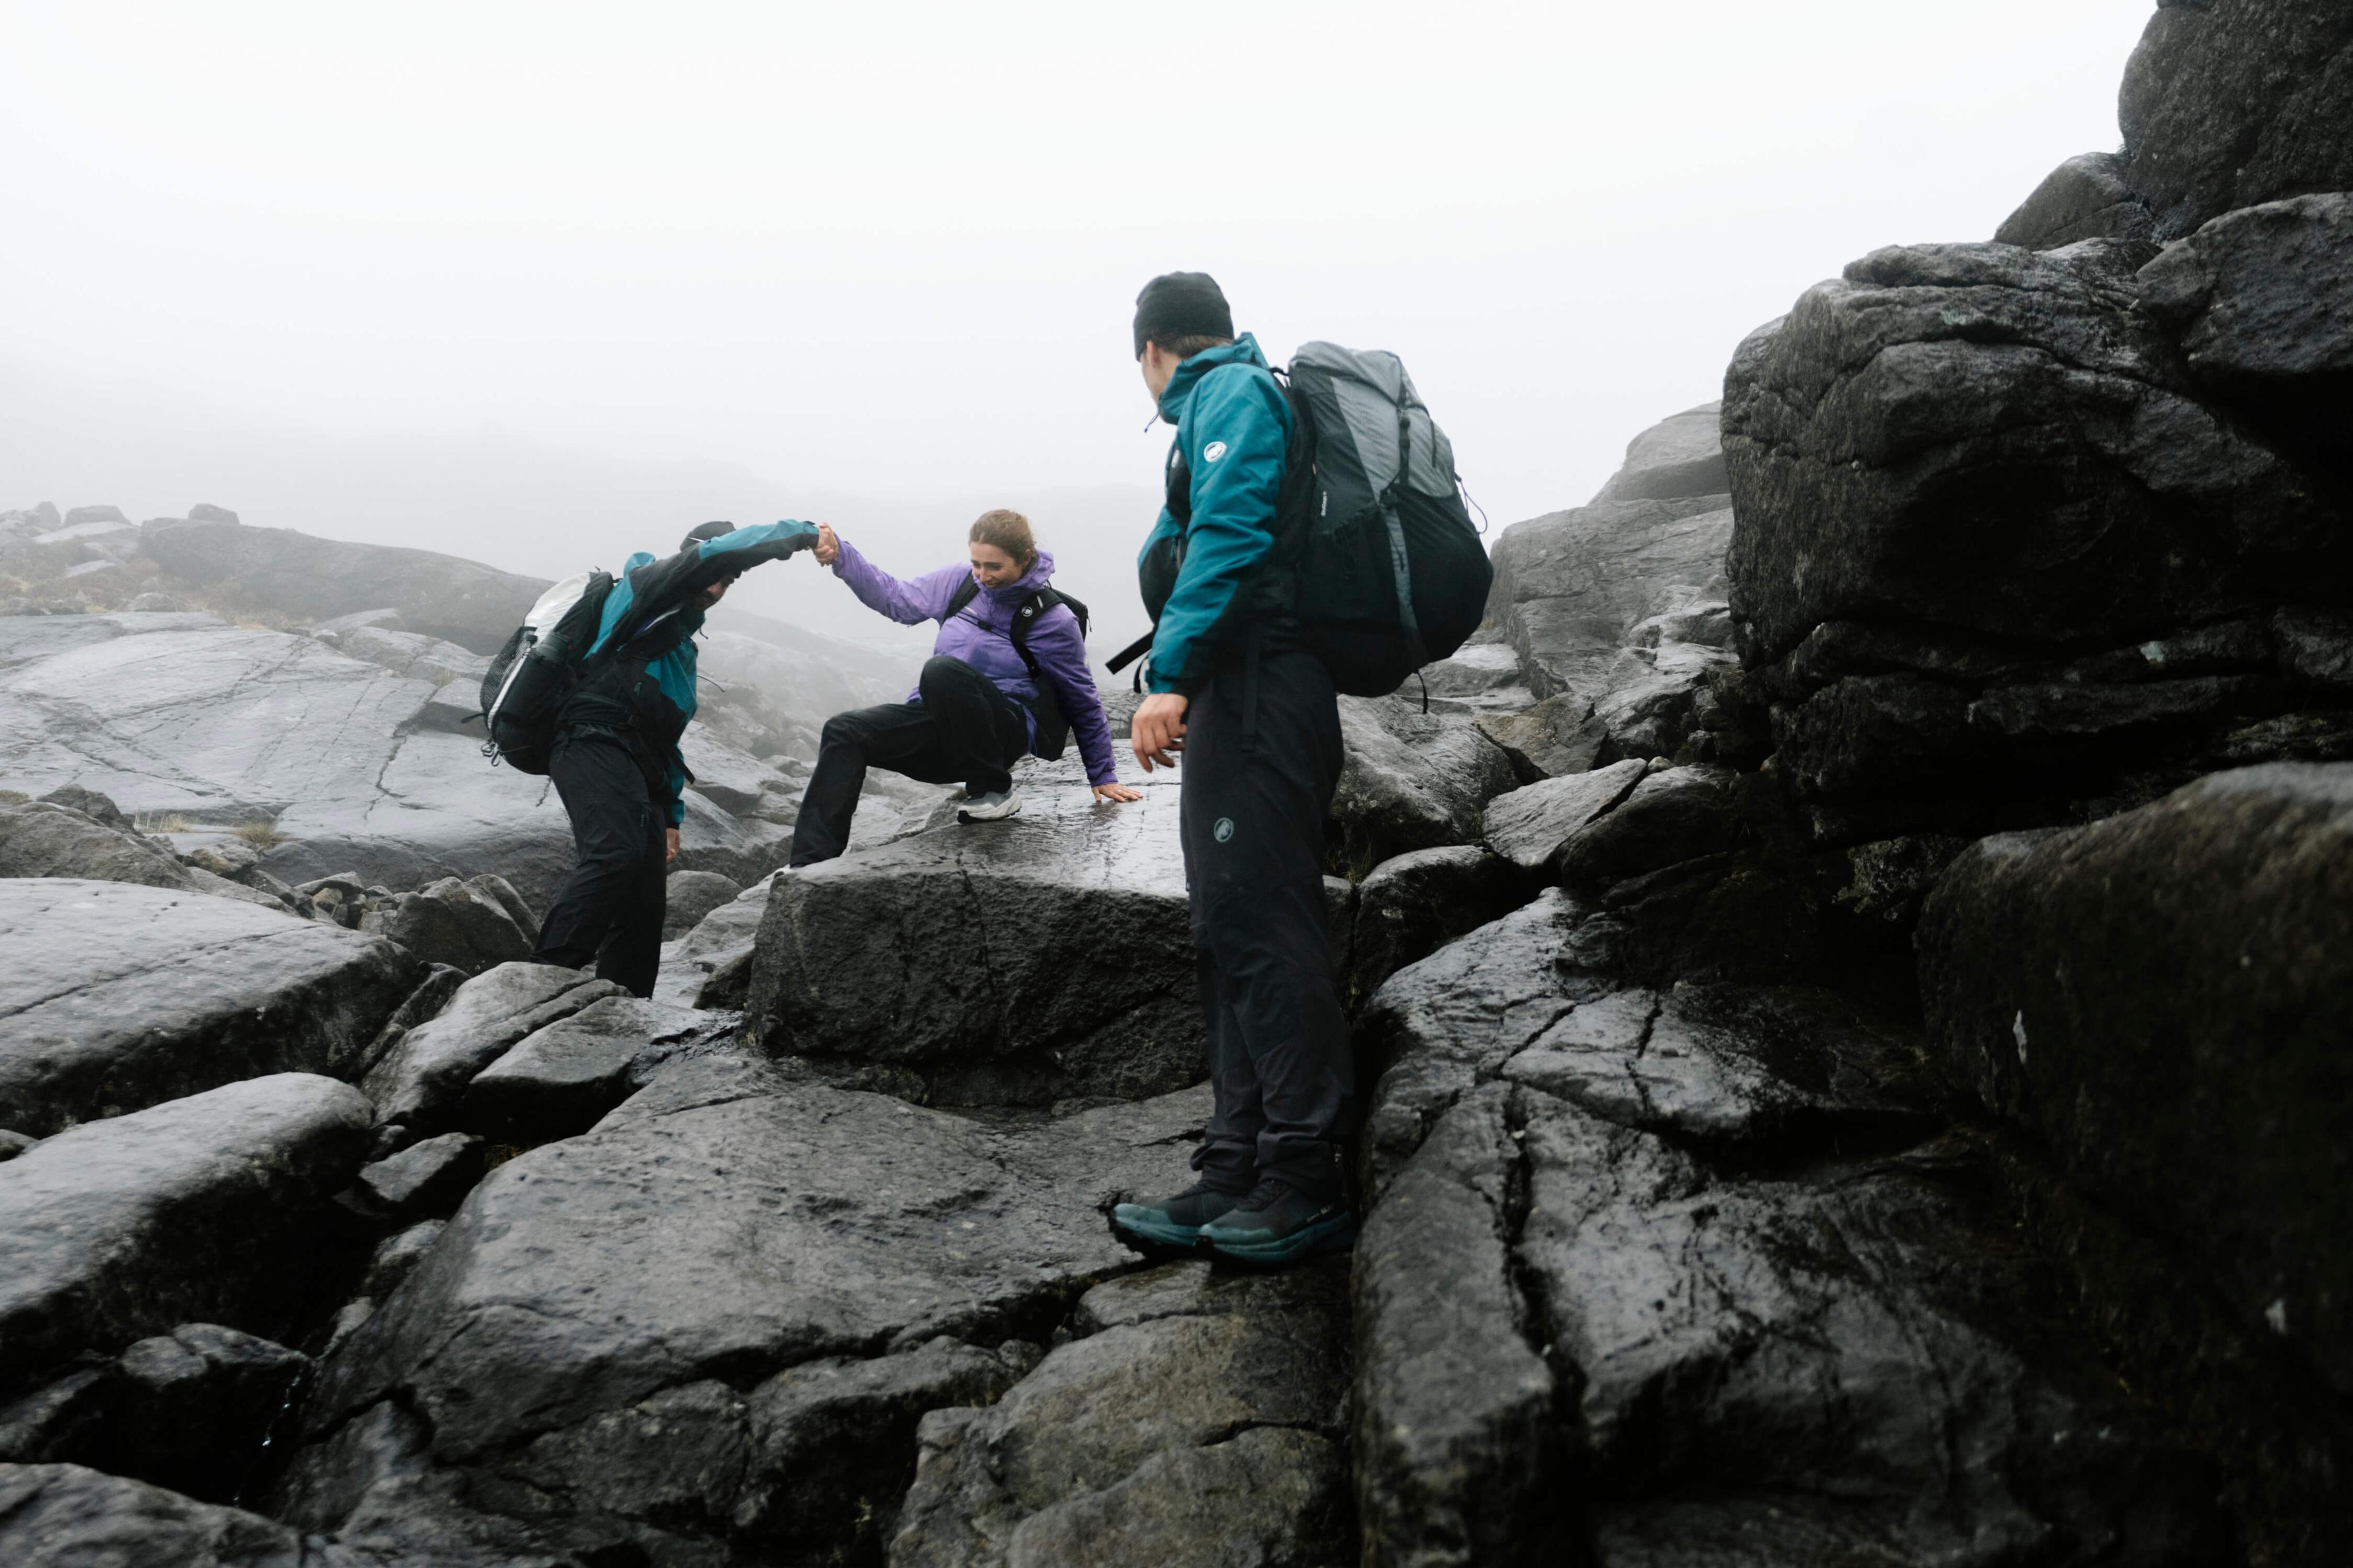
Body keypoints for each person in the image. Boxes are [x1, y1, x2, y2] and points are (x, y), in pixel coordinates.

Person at [1108, 272, 1356, 1268]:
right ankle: (1233, 1170)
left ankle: (1306, 1178)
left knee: (1258, 917)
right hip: (1239, 688)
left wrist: (1170, 675)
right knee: (1224, 925)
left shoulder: (1232, 393)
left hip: (1258, 682)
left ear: (1152, 350)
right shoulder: (1225, 394)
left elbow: (1230, 530)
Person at [533, 519, 817, 995]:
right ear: (692, 559)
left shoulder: (680, 644)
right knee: (613, 853)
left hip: (634, 760)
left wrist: (670, 816)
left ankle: (626, 1008)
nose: (716, 586)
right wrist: (803, 534)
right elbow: (715, 556)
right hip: (588, 741)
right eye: (716, 572)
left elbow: (665, 739)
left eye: (726, 582)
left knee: (645, 898)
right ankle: (543, 980)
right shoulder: (646, 587)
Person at [788, 508, 1137, 866]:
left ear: (1025, 560)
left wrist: (1103, 774)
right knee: (844, 731)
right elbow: (895, 599)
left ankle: (994, 790)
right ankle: (809, 865)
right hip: (943, 732)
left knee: (941, 671)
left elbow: (1082, 699)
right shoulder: (960, 582)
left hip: (1001, 734)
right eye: (977, 564)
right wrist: (842, 555)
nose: (983, 576)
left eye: (994, 567)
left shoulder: (1053, 620)